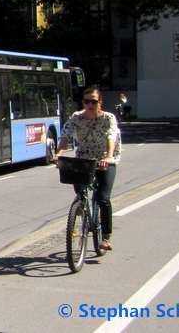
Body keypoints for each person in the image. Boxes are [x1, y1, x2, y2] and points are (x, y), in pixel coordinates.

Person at [55, 88, 120, 250]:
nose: (90, 104)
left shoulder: (108, 118)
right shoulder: (76, 118)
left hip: (105, 159)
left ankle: (106, 237)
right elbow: (65, 135)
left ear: (100, 103)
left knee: (103, 198)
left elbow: (111, 136)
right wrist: (58, 154)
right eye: (86, 101)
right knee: (79, 190)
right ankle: (81, 208)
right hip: (84, 159)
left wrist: (108, 157)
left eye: (94, 101)